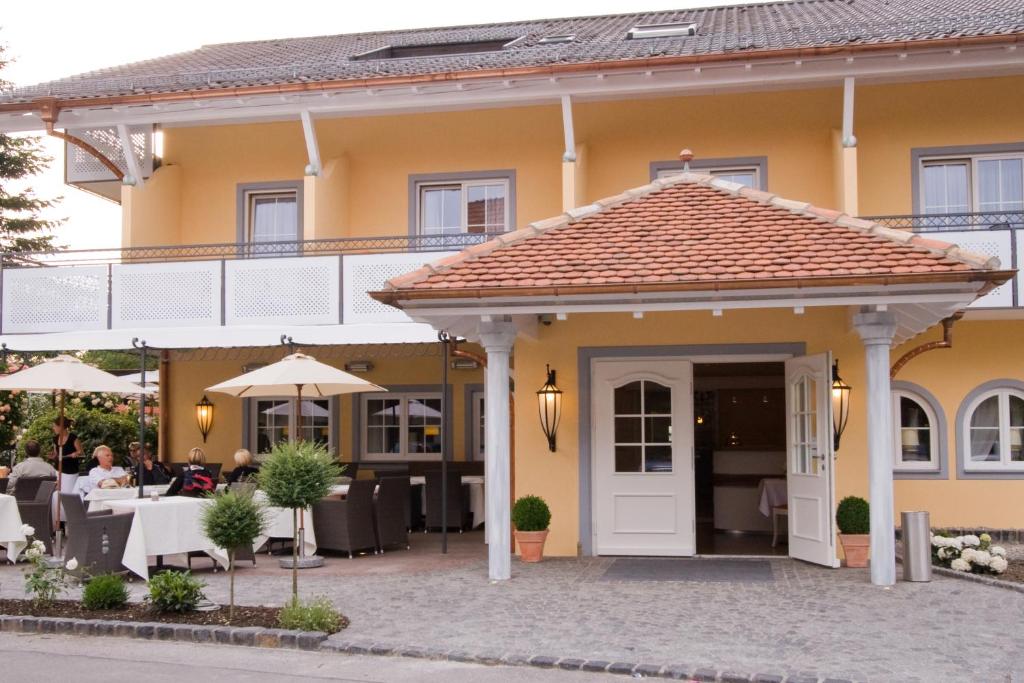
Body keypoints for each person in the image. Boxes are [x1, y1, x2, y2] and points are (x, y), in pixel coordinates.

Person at [50, 416, 84, 494]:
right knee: (57, 494)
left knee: (68, 494)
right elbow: (56, 454)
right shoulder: (55, 438)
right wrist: (53, 456)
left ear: (61, 427)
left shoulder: (73, 438)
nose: (53, 428)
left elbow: (81, 452)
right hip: (58, 470)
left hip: (70, 472)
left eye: (55, 426)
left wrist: (76, 453)